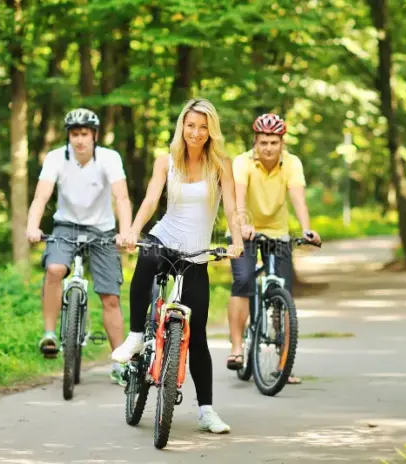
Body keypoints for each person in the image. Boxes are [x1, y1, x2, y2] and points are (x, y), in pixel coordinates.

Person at [112, 98, 244, 434]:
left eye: (203, 127)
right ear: (181, 127)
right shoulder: (166, 161)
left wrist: (237, 239)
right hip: (165, 238)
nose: (196, 133)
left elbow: (231, 208)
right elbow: (151, 200)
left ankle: (207, 411)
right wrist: (131, 230)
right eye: (190, 126)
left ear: (211, 131)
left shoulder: (221, 165)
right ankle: (137, 336)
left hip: (197, 252)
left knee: (196, 334)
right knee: (147, 260)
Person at [25, 108, 132, 386]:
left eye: (85, 134)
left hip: (102, 230)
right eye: (74, 134)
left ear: (94, 135)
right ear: (68, 136)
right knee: (54, 268)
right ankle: (50, 333)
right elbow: (41, 196)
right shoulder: (55, 158)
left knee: (110, 296)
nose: (80, 140)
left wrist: (126, 232)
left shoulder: (109, 158)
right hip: (66, 226)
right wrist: (32, 225)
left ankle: (120, 363)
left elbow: (121, 198)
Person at [225, 112, 321, 384]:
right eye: (263, 142)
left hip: (277, 232)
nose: (268, 148)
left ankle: (283, 362)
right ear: (255, 141)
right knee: (243, 281)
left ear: (282, 143)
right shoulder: (242, 162)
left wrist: (306, 229)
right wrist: (243, 225)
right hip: (244, 229)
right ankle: (236, 349)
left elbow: (298, 199)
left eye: (274, 143)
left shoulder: (292, 164)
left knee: (283, 293)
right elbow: (239, 196)